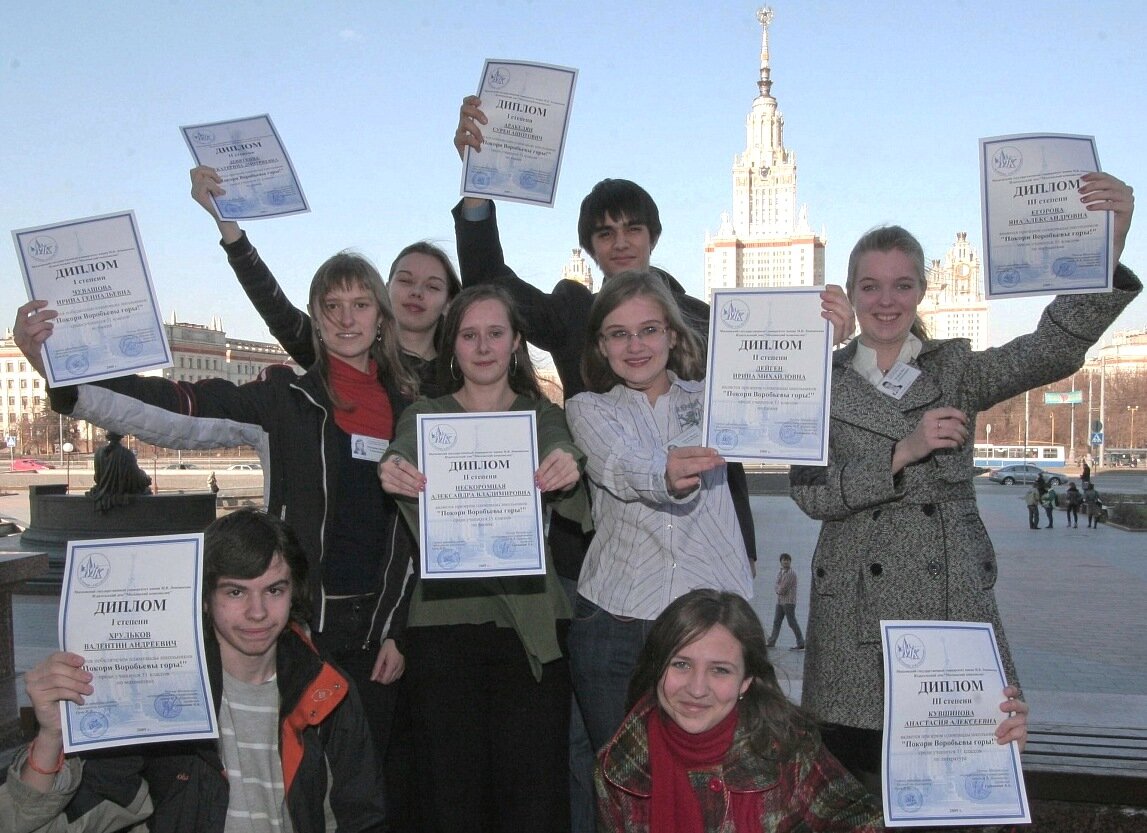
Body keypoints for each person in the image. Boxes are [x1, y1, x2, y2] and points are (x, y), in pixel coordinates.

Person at [14, 245, 419, 809]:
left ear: (381, 318)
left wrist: (396, 627)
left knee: (363, 791)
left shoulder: (413, 410)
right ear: (317, 315)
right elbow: (181, 408)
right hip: (294, 625)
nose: (346, 319)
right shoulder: (284, 400)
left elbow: (417, 535)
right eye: (332, 306)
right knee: (293, 784)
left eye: (359, 304)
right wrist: (68, 380)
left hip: (378, 633)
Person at [789, 171, 1139, 787]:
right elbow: (810, 492)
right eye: (870, 286)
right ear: (849, 293)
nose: (886, 300)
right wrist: (904, 450)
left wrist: (1103, 248)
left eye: (902, 284)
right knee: (853, 791)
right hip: (851, 618)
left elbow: (1051, 349)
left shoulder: (957, 368)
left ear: (923, 290)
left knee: (954, 788)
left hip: (946, 605)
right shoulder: (819, 376)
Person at [564, 271, 854, 767]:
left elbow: (791, 393)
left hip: (714, 624)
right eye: (619, 333)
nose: (636, 345)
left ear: (672, 336)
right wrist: (664, 472)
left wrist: (832, 343)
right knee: (621, 780)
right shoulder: (586, 408)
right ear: (601, 345)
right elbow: (616, 465)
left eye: (650, 330)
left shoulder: (718, 398)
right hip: (617, 623)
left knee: (713, 777)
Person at [0, 510, 387, 832]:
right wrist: (52, 734)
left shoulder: (327, 689)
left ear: (293, 593)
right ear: (203, 599)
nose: (257, 612)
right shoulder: (154, 693)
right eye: (235, 592)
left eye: (274, 590)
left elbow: (361, 819)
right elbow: (36, 825)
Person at [379, 285, 584, 833]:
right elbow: (401, 452)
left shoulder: (543, 417)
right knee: (451, 791)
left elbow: (566, 458)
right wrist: (393, 468)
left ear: (516, 341)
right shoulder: (424, 416)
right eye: (470, 335)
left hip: (532, 627)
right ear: (453, 346)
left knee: (534, 791)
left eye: (496, 333)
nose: (484, 346)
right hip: (444, 627)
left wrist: (566, 466)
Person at [595, 589, 885, 832]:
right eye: (681, 664)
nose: (697, 689)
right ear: (657, 668)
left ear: (746, 681)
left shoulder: (787, 747)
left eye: (720, 670)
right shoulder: (618, 767)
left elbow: (863, 819)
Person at [190, 165, 462, 395]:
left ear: (450, 302)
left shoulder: (466, 372)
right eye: (405, 281)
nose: (417, 292)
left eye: (433, 286)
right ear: (385, 291)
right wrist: (226, 223)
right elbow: (276, 310)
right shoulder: (346, 352)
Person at [766, 553, 805, 650]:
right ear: (781, 562)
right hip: (780, 602)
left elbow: (782, 589)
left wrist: (777, 589)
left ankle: (801, 642)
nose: (786, 562)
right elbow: (777, 584)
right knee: (776, 621)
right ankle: (772, 641)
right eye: (784, 560)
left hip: (789, 602)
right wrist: (778, 589)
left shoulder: (791, 573)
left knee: (791, 622)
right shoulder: (780, 572)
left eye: (787, 560)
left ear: (790, 562)